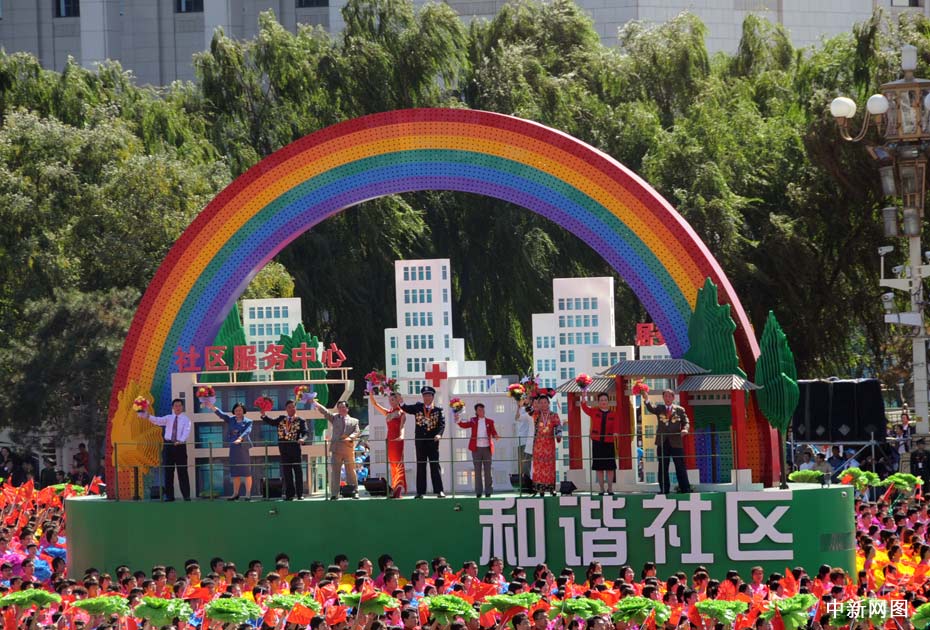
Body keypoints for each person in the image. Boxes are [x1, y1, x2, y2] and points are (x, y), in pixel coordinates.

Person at [398, 386, 446, 499]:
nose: (426, 398)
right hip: (420, 442)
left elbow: (442, 425)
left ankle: (439, 491)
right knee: (421, 466)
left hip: (433, 442)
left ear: (433, 397)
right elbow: (406, 408)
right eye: (425, 396)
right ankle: (420, 492)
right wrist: (401, 401)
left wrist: (439, 434)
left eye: (429, 395)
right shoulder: (418, 407)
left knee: (435, 466)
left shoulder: (438, 410)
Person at [310, 399, 361, 500]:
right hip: (336, 449)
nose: (341, 409)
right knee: (335, 472)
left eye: (343, 407)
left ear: (347, 408)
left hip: (348, 449)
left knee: (351, 471)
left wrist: (350, 437)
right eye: (339, 407)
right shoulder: (334, 418)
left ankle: (354, 492)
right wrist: (316, 404)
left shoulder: (354, 421)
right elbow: (325, 412)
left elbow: (357, 431)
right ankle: (334, 494)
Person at [644, 389, 692, 495]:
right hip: (662, 441)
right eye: (665, 396)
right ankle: (664, 490)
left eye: (670, 396)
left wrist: (685, 429)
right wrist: (646, 399)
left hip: (676, 442)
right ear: (663, 397)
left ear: (673, 398)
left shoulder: (679, 410)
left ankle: (685, 489)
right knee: (662, 466)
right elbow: (651, 408)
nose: (667, 398)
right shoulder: (660, 408)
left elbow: (686, 422)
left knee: (680, 465)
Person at [144, 398, 192, 502]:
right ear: (173, 407)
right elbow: (157, 420)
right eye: (176, 406)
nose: (178, 408)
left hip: (180, 446)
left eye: (179, 405)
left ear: (182, 407)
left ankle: (186, 496)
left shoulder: (186, 419)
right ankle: (169, 496)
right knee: (168, 471)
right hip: (168, 446)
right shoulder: (169, 418)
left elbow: (187, 431)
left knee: (182, 471)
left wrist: (180, 440)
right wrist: (147, 415)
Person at [261, 400, 308, 501]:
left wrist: (302, 439)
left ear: (296, 408)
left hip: (295, 449)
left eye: (293, 407)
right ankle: (289, 494)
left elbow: (306, 433)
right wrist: (264, 415)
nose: (292, 409)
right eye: (289, 407)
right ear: (286, 409)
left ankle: (300, 494)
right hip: (284, 450)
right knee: (287, 473)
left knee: (298, 472)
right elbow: (272, 422)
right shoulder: (282, 419)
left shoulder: (301, 420)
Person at [205, 402, 253, 501]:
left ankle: (248, 494)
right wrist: (212, 407)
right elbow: (221, 414)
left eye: (240, 410)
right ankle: (235, 494)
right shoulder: (231, 420)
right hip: (234, 447)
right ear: (234, 411)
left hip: (243, 448)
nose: (238, 412)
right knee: (235, 472)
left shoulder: (248, 421)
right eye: (236, 410)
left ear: (243, 411)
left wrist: (240, 438)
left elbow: (247, 431)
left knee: (246, 472)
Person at [369, 391, 407, 498]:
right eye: (390, 400)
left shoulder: (401, 412)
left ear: (397, 400)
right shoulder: (388, 412)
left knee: (398, 464)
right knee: (393, 465)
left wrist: (402, 436)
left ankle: (398, 491)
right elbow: (375, 404)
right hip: (390, 441)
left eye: (393, 399)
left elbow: (402, 426)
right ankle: (395, 489)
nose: (391, 402)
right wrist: (371, 393)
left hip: (397, 440)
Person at [456, 403, 499, 498]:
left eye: (483, 409)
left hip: (487, 448)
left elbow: (493, 431)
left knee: (488, 471)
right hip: (476, 449)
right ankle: (478, 492)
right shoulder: (473, 420)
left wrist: (495, 435)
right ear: (476, 411)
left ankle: (488, 491)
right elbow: (464, 425)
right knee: (477, 471)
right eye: (479, 410)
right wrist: (458, 420)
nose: (482, 411)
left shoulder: (490, 421)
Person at [580, 392, 619, 495]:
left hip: (609, 442)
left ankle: (610, 489)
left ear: (608, 402)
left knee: (610, 467)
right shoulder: (594, 411)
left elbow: (616, 426)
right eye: (601, 400)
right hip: (597, 442)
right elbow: (585, 408)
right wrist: (583, 398)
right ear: (598, 402)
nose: (603, 402)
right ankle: (601, 489)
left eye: (605, 400)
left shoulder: (614, 414)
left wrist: (615, 432)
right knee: (599, 467)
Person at [530, 392, 561, 496]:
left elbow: (558, 426)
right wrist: (531, 393)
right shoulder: (536, 415)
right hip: (538, 445)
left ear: (548, 403)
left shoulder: (554, 415)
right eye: (541, 403)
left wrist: (558, 435)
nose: (543, 404)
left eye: (545, 402)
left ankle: (552, 489)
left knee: (550, 466)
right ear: (538, 404)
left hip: (549, 444)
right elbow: (528, 408)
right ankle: (540, 489)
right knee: (539, 467)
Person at [514, 399, 534, 488]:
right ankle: (524, 484)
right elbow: (516, 418)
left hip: (529, 440)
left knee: (527, 464)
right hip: (521, 440)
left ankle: (529, 484)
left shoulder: (531, 410)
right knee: (522, 464)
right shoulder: (521, 409)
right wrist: (518, 407)